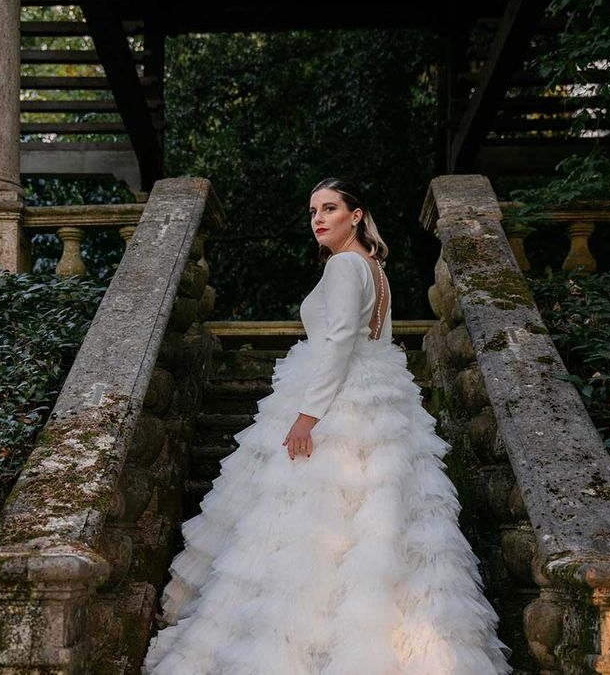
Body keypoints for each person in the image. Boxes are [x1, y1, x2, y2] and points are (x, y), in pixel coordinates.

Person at [141, 177, 512, 674]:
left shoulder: (344, 265)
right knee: (374, 520)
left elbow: (338, 342)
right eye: (313, 210)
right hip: (377, 395)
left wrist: (306, 417)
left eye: (330, 208)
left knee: (306, 524)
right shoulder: (375, 268)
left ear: (356, 215)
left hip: (337, 400)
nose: (318, 218)